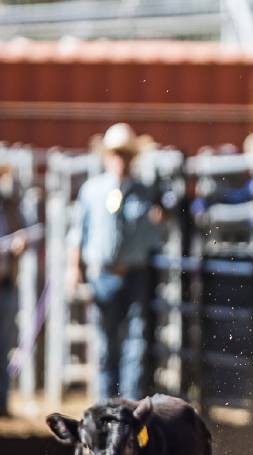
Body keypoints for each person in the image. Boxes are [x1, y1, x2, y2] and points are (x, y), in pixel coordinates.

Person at [66, 123, 165, 400]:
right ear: (107, 156)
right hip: (104, 274)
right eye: (116, 153)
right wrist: (73, 268)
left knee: (136, 342)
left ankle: (129, 404)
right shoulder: (92, 190)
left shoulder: (146, 193)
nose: (120, 159)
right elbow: (77, 233)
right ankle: (105, 403)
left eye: (125, 154)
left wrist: (159, 221)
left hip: (135, 273)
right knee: (106, 343)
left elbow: (156, 235)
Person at [0, 165, 28, 416]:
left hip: (6, 283)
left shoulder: (10, 205)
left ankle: (2, 402)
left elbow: (25, 231)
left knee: (3, 345)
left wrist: (20, 243)